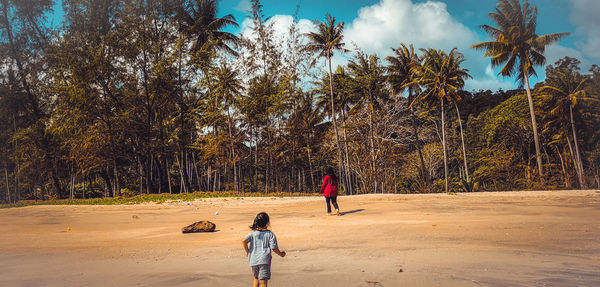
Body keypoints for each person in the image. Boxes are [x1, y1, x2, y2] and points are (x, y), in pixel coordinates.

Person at [242, 212, 286, 287]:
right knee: (263, 282)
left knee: (256, 278)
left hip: (253, 260)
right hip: (264, 261)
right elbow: (274, 248)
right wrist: (281, 254)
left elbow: (244, 241)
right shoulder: (270, 234)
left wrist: (248, 251)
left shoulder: (253, 234)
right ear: (267, 223)